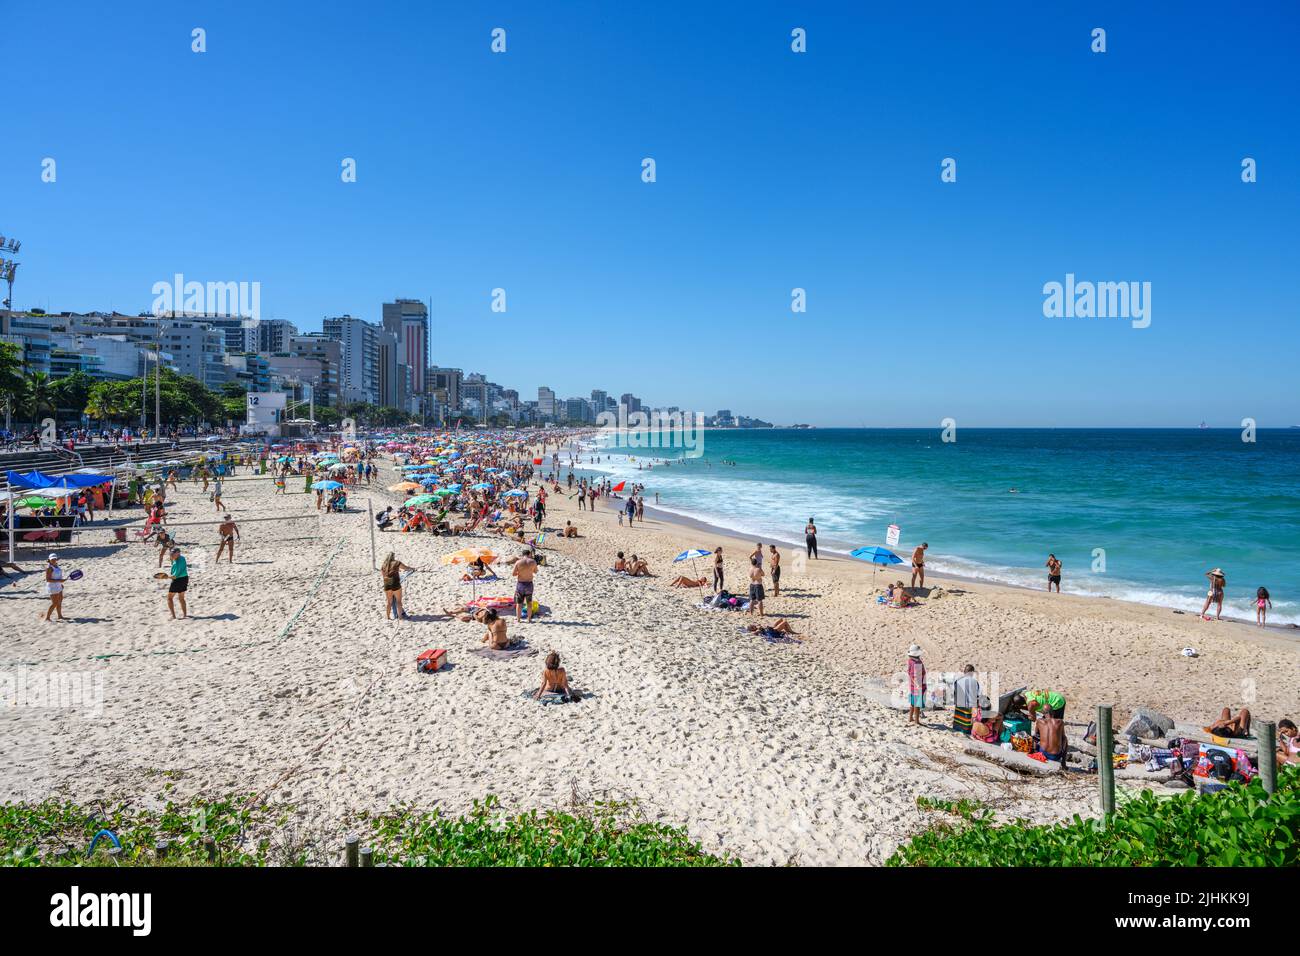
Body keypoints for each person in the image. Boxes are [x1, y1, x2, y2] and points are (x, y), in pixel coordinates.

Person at [381, 552, 415, 620]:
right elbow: (406, 568)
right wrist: (412, 568)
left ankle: (388, 617)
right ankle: (400, 617)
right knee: (399, 601)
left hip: (387, 583)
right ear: (393, 557)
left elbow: (383, 575)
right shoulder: (396, 562)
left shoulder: (384, 565)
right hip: (395, 582)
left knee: (389, 602)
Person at [952, 664, 981, 733]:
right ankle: (966, 730)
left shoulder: (957, 681)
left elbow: (955, 693)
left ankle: (957, 728)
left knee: (958, 720)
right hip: (969, 706)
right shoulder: (975, 682)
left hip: (959, 704)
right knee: (967, 721)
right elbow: (977, 696)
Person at [512, 548, 537, 622]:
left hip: (521, 584)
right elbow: (535, 571)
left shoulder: (518, 562)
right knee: (529, 603)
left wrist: (520, 572)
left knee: (519, 603)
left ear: (522, 555)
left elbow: (513, 574)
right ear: (529, 554)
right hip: (529, 584)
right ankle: (529, 619)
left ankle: (518, 619)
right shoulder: (533, 561)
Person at [906, 644, 926, 725]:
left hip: (912, 685)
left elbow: (909, 672)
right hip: (918, 685)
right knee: (917, 704)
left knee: (912, 702)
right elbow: (916, 676)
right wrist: (918, 685)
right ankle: (917, 721)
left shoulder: (910, 661)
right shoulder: (917, 663)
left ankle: (910, 717)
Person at [167, 546, 189, 619]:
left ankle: (173, 616)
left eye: (173, 553)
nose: (171, 555)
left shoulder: (177, 563)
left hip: (178, 580)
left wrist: (166, 577)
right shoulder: (182, 558)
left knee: (169, 598)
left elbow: (174, 576)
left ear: (178, 553)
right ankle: (185, 615)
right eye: (171, 553)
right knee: (181, 598)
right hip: (185, 578)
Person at [43, 554, 66, 622]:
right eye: (52, 559)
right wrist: (59, 581)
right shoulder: (49, 568)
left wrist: (60, 583)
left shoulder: (56, 565)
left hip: (58, 585)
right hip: (52, 587)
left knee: (60, 601)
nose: (53, 560)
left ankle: (60, 616)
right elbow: (48, 579)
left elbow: (57, 576)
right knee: (55, 603)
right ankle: (47, 618)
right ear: (49, 560)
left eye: (55, 559)